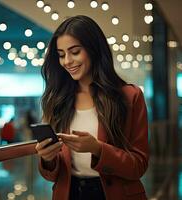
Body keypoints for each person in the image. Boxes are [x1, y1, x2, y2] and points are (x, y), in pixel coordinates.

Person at [35, 15, 149, 200]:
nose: (67, 61)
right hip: (70, 194)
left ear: (94, 49)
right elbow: (51, 175)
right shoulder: (58, 100)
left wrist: (97, 149)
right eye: (62, 54)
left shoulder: (129, 96)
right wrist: (48, 159)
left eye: (75, 51)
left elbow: (139, 166)